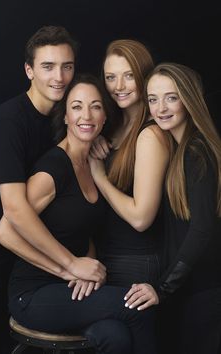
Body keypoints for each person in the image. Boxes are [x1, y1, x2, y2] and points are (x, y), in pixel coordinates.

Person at [0, 73, 157, 354]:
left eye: (95, 106)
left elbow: (82, 230)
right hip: (33, 295)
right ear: (66, 117)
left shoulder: (93, 163)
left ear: (105, 116)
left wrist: (90, 269)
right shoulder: (53, 168)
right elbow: (4, 231)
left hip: (72, 289)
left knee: (115, 335)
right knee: (137, 307)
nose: (87, 114)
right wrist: (69, 266)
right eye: (77, 106)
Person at [0, 25, 105, 354]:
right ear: (29, 70)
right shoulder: (8, 121)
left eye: (67, 66)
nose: (59, 77)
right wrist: (70, 265)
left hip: (29, 266)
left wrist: (94, 140)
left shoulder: (59, 121)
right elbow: (14, 209)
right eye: (48, 66)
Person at [124, 62, 221, 354]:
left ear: (189, 99)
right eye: (153, 99)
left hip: (205, 293)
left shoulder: (196, 151)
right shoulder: (181, 148)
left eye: (171, 97)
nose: (161, 108)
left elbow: (202, 230)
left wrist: (162, 288)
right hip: (196, 291)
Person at [89, 39, 169, 289]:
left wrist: (99, 176)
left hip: (136, 262)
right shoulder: (113, 128)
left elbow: (140, 218)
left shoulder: (151, 135)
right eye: (111, 77)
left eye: (128, 76)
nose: (119, 86)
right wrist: (95, 139)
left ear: (144, 77)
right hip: (107, 256)